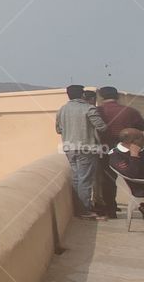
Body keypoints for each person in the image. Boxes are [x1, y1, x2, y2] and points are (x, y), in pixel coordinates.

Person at [56, 84, 107, 219]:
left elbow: (58, 129)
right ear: (82, 95)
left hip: (69, 148)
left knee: (77, 179)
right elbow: (101, 127)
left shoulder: (62, 110)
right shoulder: (88, 108)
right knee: (85, 180)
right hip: (86, 148)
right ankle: (84, 210)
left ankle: (78, 209)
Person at [94, 86, 144, 218]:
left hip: (105, 149)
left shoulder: (97, 111)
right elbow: (141, 130)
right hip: (130, 149)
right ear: (117, 97)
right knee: (136, 174)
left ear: (101, 97)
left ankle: (110, 209)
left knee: (107, 180)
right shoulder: (130, 112)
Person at [108, 127, 144, 219]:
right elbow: (132, 174)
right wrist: (134, 155)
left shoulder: (141, 148)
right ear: (133, 142)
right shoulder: (116, 156)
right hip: (139, 186)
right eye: (141, 137)